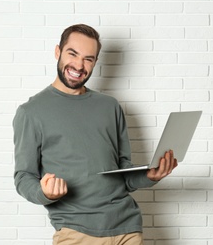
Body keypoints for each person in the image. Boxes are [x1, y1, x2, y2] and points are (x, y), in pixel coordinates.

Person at [13, 24, 178, 245]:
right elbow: (23, 176)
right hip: (77, 233)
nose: (79, 65)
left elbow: (122, 172)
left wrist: (150, 176)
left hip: (128, 229)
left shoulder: (110, 106)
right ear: (57, 52)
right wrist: (45, 193)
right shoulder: (31, 112)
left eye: (89, 59)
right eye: (73, 54)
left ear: (95, 62)